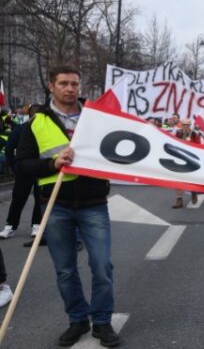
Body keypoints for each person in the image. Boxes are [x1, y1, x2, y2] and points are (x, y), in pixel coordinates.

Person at [16, 66, 119, 347]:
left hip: (94, 203)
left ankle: (102, 322)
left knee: (102, 265)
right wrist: (52, 163)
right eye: (63, 83)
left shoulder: (97, 119)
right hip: (55, 205)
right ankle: (77, 320)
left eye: (74, 83)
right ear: (51, 86)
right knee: (65, 270)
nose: (70, 88)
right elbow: (22, 164)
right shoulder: (36, 123)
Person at [0, 104, 42, 239]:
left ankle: (36, 225)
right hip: (24, 170)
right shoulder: (20, 129)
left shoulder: (44, 130)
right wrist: (14, 167)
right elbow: (9, 149)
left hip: (41, 169)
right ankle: (10, 226)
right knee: (18, 199)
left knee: (39, 198)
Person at [172, 118, 202, 209]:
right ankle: (179, 199)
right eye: (184, 125)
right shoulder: (178, 133)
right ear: (181, 125)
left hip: (191, 159)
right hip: (180, 158)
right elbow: (173, 143)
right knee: (179, 179)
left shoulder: (194, 134)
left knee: (191, 178)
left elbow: (199, 147)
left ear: (190, 126)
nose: (186, 126)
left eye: (187, 125)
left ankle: (193, 192)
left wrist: (191, 144)